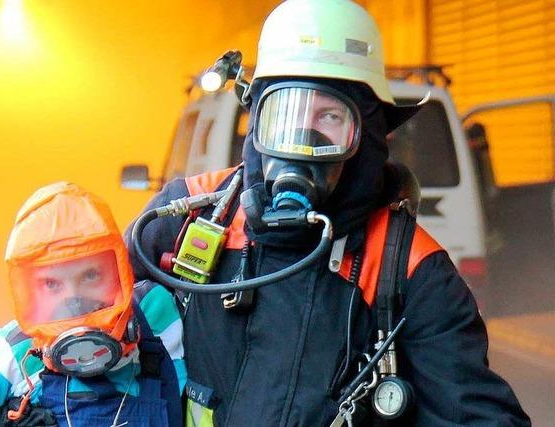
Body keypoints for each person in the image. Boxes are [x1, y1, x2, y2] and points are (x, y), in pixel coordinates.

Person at [127, 1, 530, 426]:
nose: (302, 138)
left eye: (330, 116)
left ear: (366, 134)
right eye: (284, 112)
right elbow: (90, 319)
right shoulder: (188, 215)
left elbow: (477, 415)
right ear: (258, 121)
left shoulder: (409, 269)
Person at [0, 182, 185, 427]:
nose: (74, 299)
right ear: (30, 292)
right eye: (52, 284)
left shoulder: (155, 315)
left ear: (120, 273)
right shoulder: (11, 354)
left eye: (91, 275)